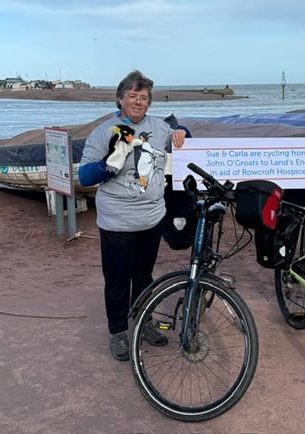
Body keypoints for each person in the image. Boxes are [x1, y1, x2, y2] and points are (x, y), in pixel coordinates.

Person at [78, 70, 188, 361]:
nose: (138, 102)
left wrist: (183, 133)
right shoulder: (104, 132)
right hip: (117, 222)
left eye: (143, 97)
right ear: (120, 99)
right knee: (117, 280)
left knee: (144, 276)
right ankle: (118, 332)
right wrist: (108, 164)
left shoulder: (160, 127)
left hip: (151, 218)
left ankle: (144, 323)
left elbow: (181, 140)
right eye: (132, 96)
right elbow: (85, 175)